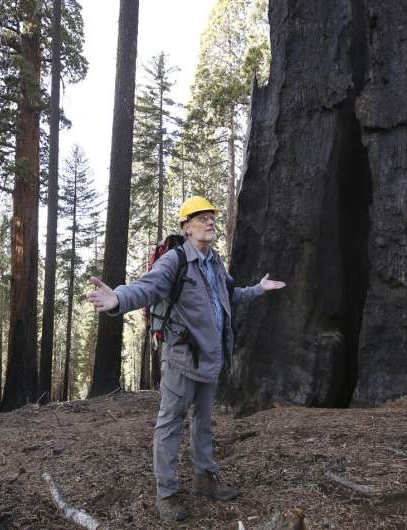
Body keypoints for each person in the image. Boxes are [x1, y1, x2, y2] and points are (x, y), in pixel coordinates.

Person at [87, 196, 286, 521]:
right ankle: (166, 495)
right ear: (186, 227)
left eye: (211, 217)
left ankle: (205, 480)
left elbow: (230, 295)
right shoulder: (174, 261)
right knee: (169, 428)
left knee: (203, 424)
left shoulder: (215, 263)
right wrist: (118, 298)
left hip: (210, 362)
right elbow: (146, 289)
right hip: (180, 362)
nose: (209, 221)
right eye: (200, 217)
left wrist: (259, 289)